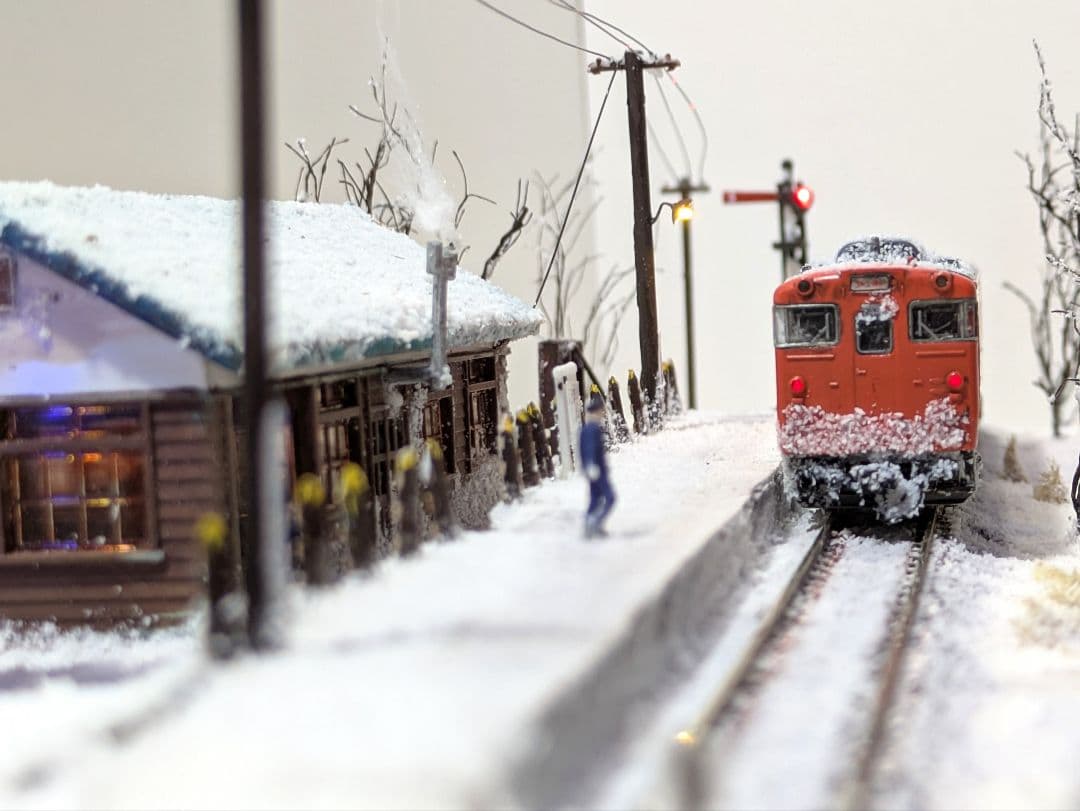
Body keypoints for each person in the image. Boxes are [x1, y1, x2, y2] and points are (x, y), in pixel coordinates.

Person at [579, 393, 615, 538]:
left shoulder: (589, 428)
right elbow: (589, 448)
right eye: (601, 410)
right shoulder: (592, 429)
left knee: (595, 498)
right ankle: (594, 523)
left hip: (595, 469)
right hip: (596, 470)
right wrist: (591, 465)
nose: (603, 413)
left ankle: (592, 525)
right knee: (610, 497)